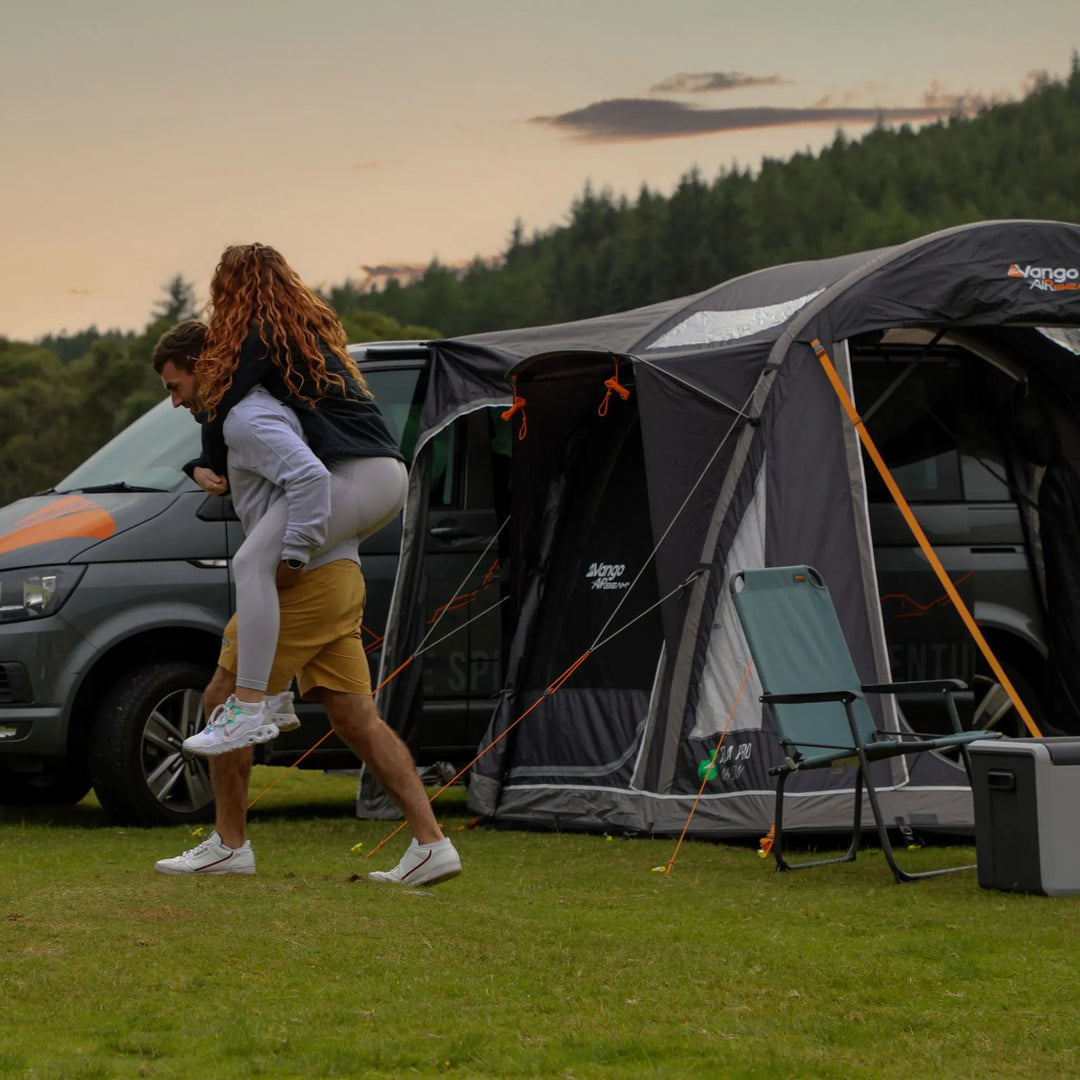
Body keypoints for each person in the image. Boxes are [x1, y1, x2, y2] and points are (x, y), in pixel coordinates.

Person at [151, 322, 460, 885]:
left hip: (306, 580)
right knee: (357, 719)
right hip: (340, 574)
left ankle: (229, 843)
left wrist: (290, 558)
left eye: (177, 386)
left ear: (206, 366)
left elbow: (306, 475)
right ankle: (432, 844)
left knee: (222, 694)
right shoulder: (251, 410)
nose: (175, 401)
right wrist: (197, 467)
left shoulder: (250, 415)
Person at [182, 242, 406, 750]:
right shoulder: (299, 335)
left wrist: (205, 466)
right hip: (384, 474)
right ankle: (275, 698)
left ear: (231, 288)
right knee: (274, 577)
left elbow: (221, 406)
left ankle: (249, 707)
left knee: (252, 564)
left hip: (354, 474)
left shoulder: (260, 336)